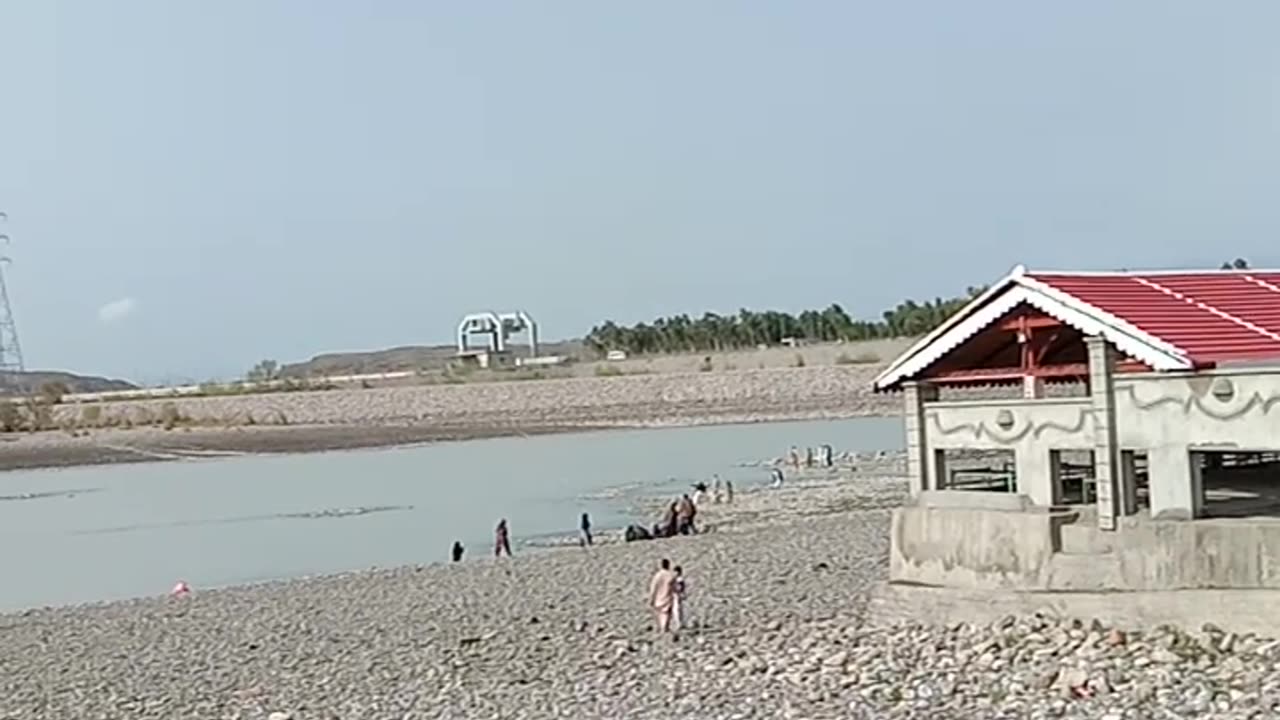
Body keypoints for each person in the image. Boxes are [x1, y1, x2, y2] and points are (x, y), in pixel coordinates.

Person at [648, 558, 678, 634]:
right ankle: (664, 627)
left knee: (660, 613)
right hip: (667, 597)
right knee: (666, 613)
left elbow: (653, 587)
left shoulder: (657, 576)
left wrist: (651, 598)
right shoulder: (670, 576)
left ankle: (662, 627)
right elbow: (674, 587)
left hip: (658, 598)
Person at [672, 565, 688, 631]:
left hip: (677, 595)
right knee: (678, 609)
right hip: (676, 595)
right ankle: (679, 623)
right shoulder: (678, 579)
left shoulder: (679, 579)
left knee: (677, 609)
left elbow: (680, 588)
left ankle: (679, 624)